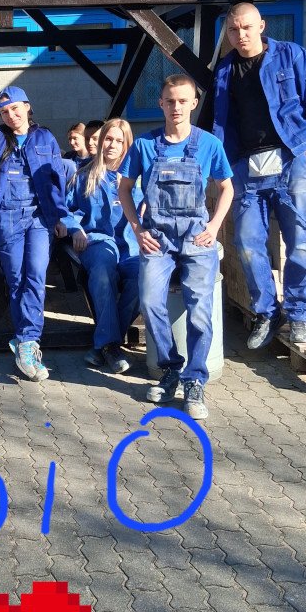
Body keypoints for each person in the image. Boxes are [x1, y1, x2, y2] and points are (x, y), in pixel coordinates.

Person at [213, 1, 306, 349]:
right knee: (247, 242)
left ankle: (300, 315)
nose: (240, 34)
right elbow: (221, 121)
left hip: (292, 158)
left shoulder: (290, 55)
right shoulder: (224, 70)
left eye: (246, 27)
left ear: (261, 26)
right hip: (246, 167)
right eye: (233, 29)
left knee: (299, 241)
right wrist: (225, 166)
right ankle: (267, 312)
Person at [119, 74, 234, 420]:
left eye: (183, 101)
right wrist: (137, 229)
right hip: (157, 237)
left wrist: (213, 226)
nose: (176, 107)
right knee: (150, 300)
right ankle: (171, 369)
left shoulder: (209, 144)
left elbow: (227, 188)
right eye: (170, 101)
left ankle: (195, 380)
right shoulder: (144, 144)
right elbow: (124, 188)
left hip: (197, 237)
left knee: (200, 309)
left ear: (193, 103)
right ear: (161, 103)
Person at [0, 86, 70, 382]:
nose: (11, 115)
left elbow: (56, 179)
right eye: (4, 112)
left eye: (15, 108)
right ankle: (25, 341)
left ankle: (28, 341)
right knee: (17, 280)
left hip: (39, 217)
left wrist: (60, 216)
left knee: (36, 276)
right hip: (7, 218)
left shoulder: (45, 138)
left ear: (27, 107)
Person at [65, 119, 141, 375]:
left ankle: (105, 345)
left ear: (127, 144)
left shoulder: (136, 177)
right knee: (102, 271)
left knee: (143, 277)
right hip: (96, 241)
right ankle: (110, 345)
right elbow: (66, 210)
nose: (112, 145)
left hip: (131, 245)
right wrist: (75, 229)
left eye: (119, 141)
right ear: (99, 141)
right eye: (108, 139)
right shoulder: (84, 175)